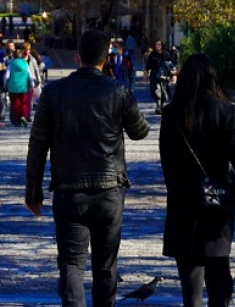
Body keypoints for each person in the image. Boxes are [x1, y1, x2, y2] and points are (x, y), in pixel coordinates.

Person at [25, 30, 150, 307]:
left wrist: (33, 192)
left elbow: (37, 146)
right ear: (106, 60)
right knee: (106, 264)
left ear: (76, 57)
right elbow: (140, 131)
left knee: (71, 263)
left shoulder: (54, 92)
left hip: (69, 191)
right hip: (109, 191)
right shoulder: (117, 90)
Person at [158, 54, 235, 307]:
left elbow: (167, 164)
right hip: (217, 202)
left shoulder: (172, 112)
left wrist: (178, 192)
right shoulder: (225, 111)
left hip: (183, 204)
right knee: (219, 274)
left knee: (191, 282)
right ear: (211, 79)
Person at [7, 49, 31, 126]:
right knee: (24, 102)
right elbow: (29, 75)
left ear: (13, 55)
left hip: (13, 87)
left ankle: (18, 119)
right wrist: (32, 85)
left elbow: (6, 76)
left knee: (16, 104)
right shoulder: (25, 63)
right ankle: (23, 115)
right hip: (24, 86)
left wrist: (6, 82)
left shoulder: (11, 64)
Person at [145, 40, 169, 114]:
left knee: (163, 91)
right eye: (156, 44)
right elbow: (148, 65)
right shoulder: (152, 55)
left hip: (164, 75)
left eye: (159, 44)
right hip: (155, 75)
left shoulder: (166, 54)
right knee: (157, 91)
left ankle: (160, 106)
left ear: (162, 45)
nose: (157, 46)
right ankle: (158, 106)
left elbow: (171, 65)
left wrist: (173, 75)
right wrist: (145, 75)